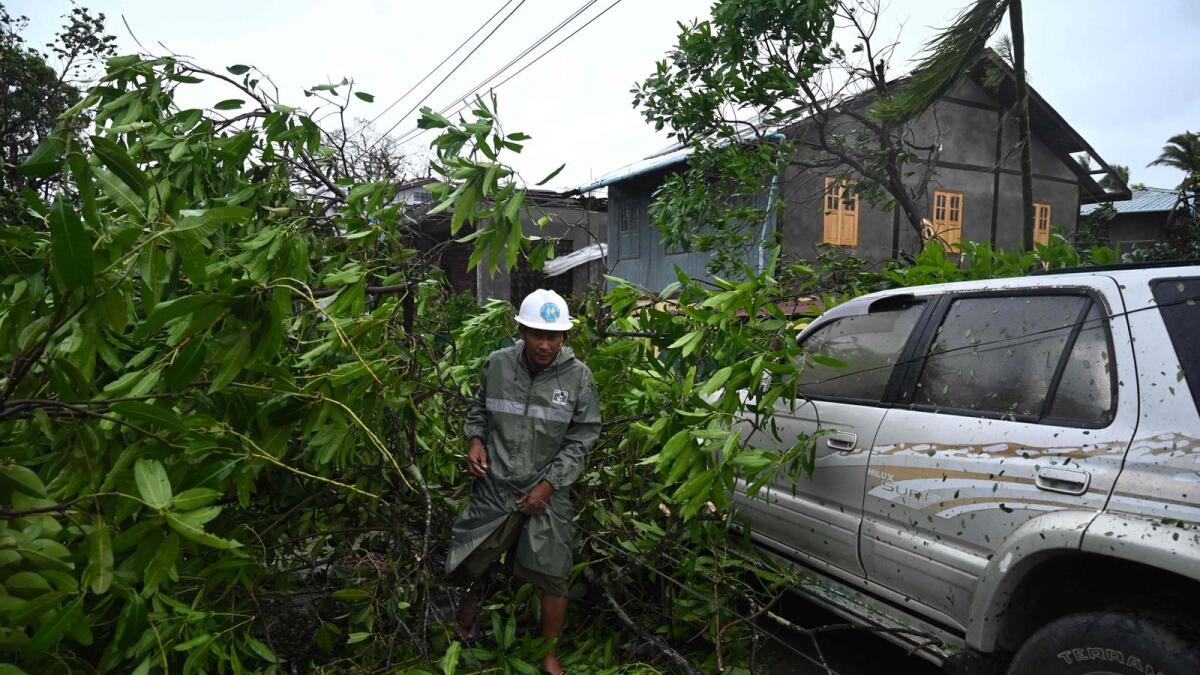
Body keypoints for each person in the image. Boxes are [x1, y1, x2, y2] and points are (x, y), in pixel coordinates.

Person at [446, 288, 601, 675]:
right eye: (536, 334)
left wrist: (548, 487)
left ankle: (548, 653)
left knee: (554, 573)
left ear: (565, 336)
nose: (545, 344)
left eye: (553, 336)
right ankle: (465, 622)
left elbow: (582, 438)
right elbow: (479, 409)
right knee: (474, 555)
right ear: (520, 329)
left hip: (548, 489)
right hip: (496, 482)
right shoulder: (498, 364)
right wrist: (476, 442)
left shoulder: (579, 377)